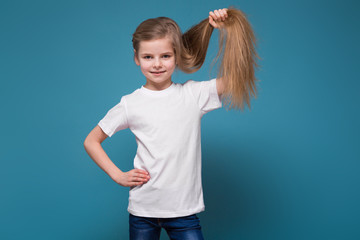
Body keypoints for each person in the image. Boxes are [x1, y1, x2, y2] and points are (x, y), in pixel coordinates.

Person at [84, 7, 259, 240]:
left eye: (165, 56)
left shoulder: (194, 95)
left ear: (177, 56)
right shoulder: (130, 104)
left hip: (184, 214)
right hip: (143, 211)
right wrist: (118, 175)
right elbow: (91, 141)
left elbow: (239, 74)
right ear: (136, 58)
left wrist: (229, 31)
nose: (157, 64)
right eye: (148, 57)